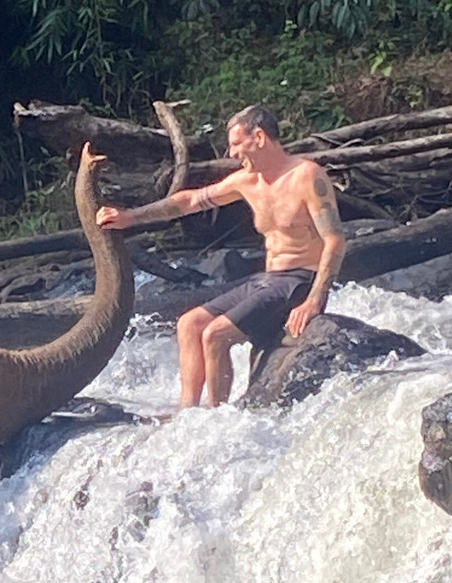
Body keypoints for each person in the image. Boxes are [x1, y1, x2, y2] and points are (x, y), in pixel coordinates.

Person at [95, 105, 347, 409]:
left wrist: (315, 299)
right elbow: (190, 201)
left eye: (237, 144)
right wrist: (130, 217)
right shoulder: (247, 181)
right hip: (268, 279)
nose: (232, 153)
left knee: (215, 335)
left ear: (259, 137)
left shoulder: (306, 175)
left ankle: (217, 417)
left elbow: (335, 241)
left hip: (300, 279)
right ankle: (186, 414)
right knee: (189, 324)